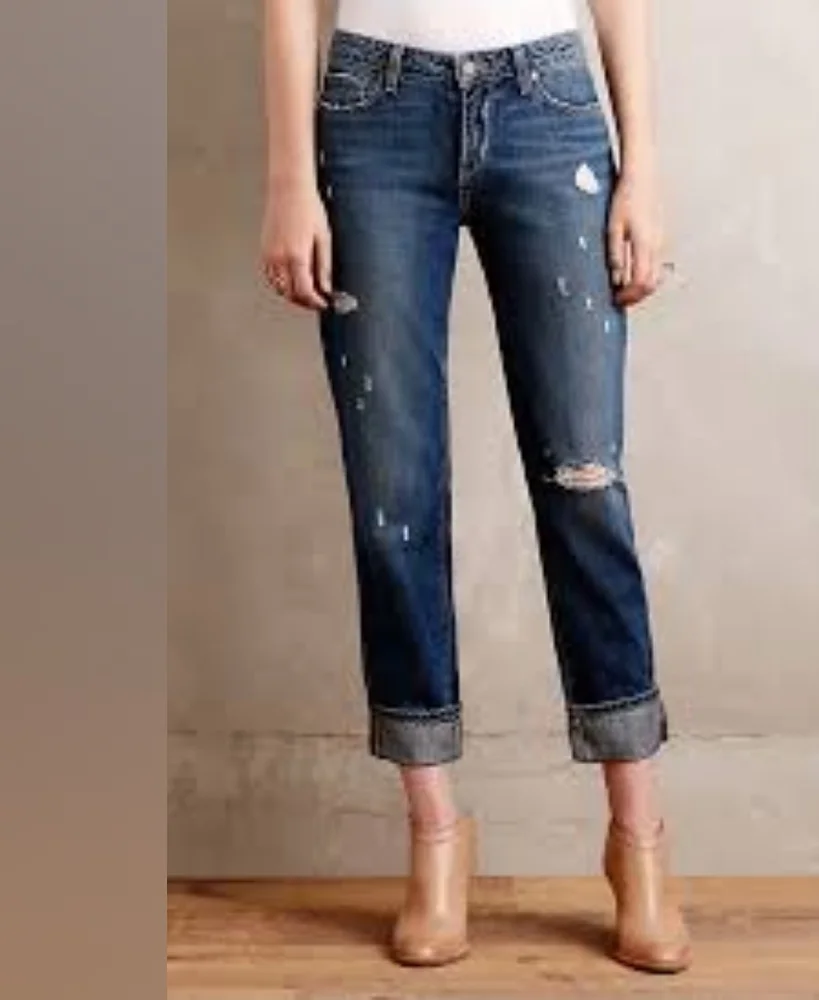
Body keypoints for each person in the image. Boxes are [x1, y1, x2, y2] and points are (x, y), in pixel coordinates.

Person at [260, 0, 690, 973]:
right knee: (392, 504)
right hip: (371, 113)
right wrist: (289, 179)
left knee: (584, 482)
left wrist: (644, 168)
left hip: (548, 103)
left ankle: (639, 840)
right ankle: (437, 836)